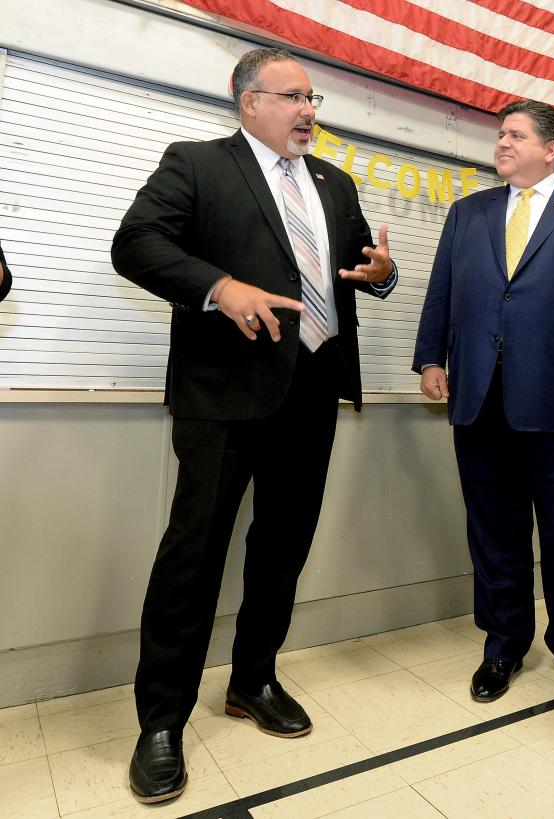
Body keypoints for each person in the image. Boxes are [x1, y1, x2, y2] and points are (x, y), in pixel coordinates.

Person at [111, 47, 396, 804]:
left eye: (313, 99)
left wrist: (382, 275)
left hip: (312, 386)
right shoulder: (198, 164)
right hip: (223, 391)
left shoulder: (335, 184)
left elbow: (367, 264)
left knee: (282, 547)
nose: (308, 110)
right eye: (293, 96)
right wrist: (218, 286)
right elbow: (135, 244)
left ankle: (253, 679)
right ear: (249, 101)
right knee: (194, 554)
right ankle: (161, 719)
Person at [414, 100, 554, 708]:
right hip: (479, 396)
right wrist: (432, 357)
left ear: (551, 149)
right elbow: (442, 290)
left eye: (515, 134)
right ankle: (503, 645)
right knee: (494, 533)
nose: (502, 143)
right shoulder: (468, 212)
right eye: (500, 134)